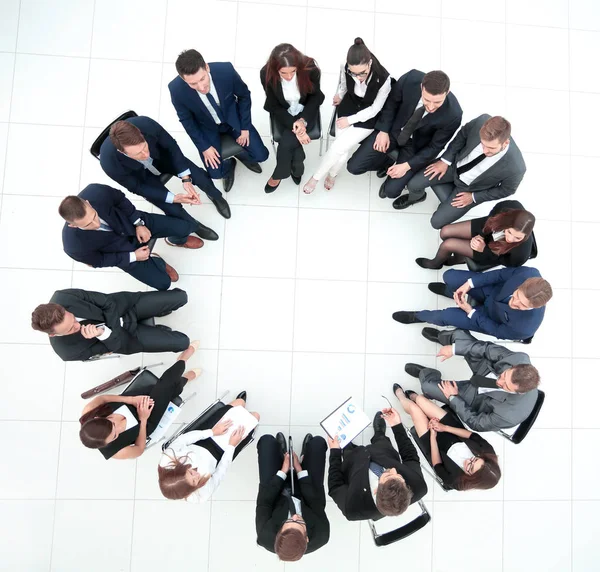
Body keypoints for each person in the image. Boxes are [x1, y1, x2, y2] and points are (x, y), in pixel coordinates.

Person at [347, 69, 462, 207]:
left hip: (415, 146)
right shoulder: (410, 79)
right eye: (427, 100)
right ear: (421, 87)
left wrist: (406, 166)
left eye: (437, 102)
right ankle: (387, 163)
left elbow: (435, 147)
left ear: (447, 92)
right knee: (354, 167)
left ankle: (418, 196)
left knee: (391, 192)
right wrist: (383, 130)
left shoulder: (453, 114)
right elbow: (391, 104)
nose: (431, 107)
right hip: (393, 131)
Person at [60, 185, 201, 290]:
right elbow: (99, 261)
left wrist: (138, 223)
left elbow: (120, 199)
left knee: (186, 227)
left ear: (89, 203)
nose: (96, 224)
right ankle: (158, 262)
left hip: (133, 224)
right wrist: (133, 256)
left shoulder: (96, 192)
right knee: (164, 283)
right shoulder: (73, 246)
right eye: (88, 224)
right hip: (124, 254)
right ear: (72, 225)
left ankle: (176, 240)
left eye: (94, 216)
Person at [78, 341, 202, 460]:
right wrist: (143, 419)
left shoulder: (88, 412)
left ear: (97, 418)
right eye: (115, 436)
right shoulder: (115, 452)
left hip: (131, 400)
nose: (118, 430)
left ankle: (183, 372)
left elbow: (103, 398)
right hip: (146, 422)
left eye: (112, 424)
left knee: (165, 388)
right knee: (165, 387)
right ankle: (182, 361)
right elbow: (139, 449)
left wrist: (131, 399)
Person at [169, 49, 269, 193]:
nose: (201, 87)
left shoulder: (225, 71)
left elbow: (244, 96)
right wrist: (204, 147)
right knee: (215, 173)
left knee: (261, 155)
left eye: (202, 79)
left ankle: (242, 154)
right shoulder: (176, 89)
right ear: (184, 79)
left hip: (233, 120)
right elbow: (187, 121)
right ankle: (229, 164)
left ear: (207, 67)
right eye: (193, 84)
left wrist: (245, 128)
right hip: (207, 127)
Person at [404, 328, 540, 432]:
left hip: (475, 398)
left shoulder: (508, 416)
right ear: (514, 367)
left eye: (506, 386)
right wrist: (454, 349)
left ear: (520, 393)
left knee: (427, 387)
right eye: (504, 376)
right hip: (485, 369)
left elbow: (475, 423)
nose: (499, 382)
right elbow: (487, 349)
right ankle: (442, 338)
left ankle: (427, 374)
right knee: (460, 334)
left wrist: (453, 397)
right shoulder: (519, 359)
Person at [302, 37, 392, 194]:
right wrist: (340, 94)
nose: (358, 77)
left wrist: (350, 120)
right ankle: (332, 174)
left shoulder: (384, 79)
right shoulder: (345, 66)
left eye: (362, 73)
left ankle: (316, 178)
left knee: (338, 147)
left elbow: (375, 109)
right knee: (342, 154)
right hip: (348, 107)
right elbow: (343, 84)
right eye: (354, 73)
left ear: (370, 63)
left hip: (367, 117)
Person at [100, 115, 230, 221]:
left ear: (141, 134)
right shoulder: (109, 163)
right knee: (171, 208)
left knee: (200, 177)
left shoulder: (147, 124)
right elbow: (137, 187)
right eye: (138, 154)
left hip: (161, 157)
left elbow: (171, 147)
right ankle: (193, 224)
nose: (145, 155)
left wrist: (185, 179)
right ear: (122, 152)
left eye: (144, 147)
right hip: (140, 176)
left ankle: (216, 196)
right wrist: (174, 198)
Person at [406, 114, 527, 228]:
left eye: (491, 148)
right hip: (453, 166)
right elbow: (462, 135)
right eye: (483, 144)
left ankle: (446, 206)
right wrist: (446, 160)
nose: (485, 151)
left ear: (505, 143)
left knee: (436, 223)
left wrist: (474, 197)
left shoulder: (516, 168)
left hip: (471, 189)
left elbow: (507, 190)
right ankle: (419, 197)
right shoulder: (481, 120)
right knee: (413, 184)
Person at [392, 266, 553, 341]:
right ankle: (452, 292)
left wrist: (470, 312)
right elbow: (499, 275)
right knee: (450, 276)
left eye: (521, 305)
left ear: (536, 307)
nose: (514, 302)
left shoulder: (525, 328)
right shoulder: (528, 273)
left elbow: (495, 330)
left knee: (444, 316)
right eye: (517, 295)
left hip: (486, 318)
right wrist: (470, 284)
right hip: (492, 291)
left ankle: (419, 316)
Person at [31, 288, 189, 361]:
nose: (77, 326)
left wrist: (110, 328)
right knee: (183, 343)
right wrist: (103, 334)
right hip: (129, 338)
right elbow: (115, 346)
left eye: (73, 319)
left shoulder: (64, 296)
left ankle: (156, 315)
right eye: (70, 329)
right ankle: (156, 330)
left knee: (181, 297)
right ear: (53, 334)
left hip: (127, 307)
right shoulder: (68, 352)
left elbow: (107, 302)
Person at [393, 383, 501, 491]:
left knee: (414, 409)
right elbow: (471, 435)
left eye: (470, 467)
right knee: (421, 400)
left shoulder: (457, 482)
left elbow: (437, 465)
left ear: (472, 478)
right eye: (474, 459)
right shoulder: (488, 452)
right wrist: (444, 427)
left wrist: (433, 436)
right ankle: (415, 397)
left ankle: (401, 397)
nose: (469, 461)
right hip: (453, 431)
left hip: (436, 448)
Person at [158, 391, 260, 502]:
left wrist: (212, 432)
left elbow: (184, 439)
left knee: (240, 403)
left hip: (203, 440)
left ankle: (238, 410)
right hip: (221, 455)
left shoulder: (167, 459)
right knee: (255, 416)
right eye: (194, 481)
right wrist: (232, 446)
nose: (197, 475)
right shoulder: (201, 495)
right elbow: (220, 471)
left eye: (190, 472)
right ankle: (245, 419)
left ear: (179, 469)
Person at [327, 410, 427, 521]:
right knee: (381, 441)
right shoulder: (418, 486)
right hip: (384, 452)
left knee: (349, 451)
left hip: (354, 464)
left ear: (375, 490)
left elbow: (335, 486)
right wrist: (397, 426)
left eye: (387, 475)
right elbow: (410, 456)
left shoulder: (352, 509)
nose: (394, 469)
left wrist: (335, 451)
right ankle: (379, 434)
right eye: (400, 477)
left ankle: (347, 445)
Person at [260, 44, 324, 193]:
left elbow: (315, 98)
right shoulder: (266, 73)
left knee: (286, 141)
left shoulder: (310, 68)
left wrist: (302, 121)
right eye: (283, 73)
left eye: (293, 72)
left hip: (306, 111)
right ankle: (297, 167)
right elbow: (274, 104)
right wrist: (297, 128)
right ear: (276, 69)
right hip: (284, 113)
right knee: (294, 147)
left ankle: (280, 173)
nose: (289, 77)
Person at [256, 432, 329, 560]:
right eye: (300, 522)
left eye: (288, 521)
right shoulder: (321, 534)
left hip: (276, 493)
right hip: (307, 494)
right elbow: (316, 503)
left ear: (278, 533)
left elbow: (265, 502)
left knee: (266, 441)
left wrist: (283, 471)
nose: (295, 516)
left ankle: (281, 455)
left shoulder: (265, 536)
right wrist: (299, 469)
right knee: (318, 443)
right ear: (306, 538)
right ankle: (303, 457)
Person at [416, 200, 535, 270]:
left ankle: (435, 264)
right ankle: (459, 257)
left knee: (448, 244)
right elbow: (492, 216)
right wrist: (482, 235)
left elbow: (501, 262)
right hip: (490, 228)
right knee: (445, 232)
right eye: (509, 232)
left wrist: (484, 249)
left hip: (490, 252)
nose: (510, 239)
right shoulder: (510, 206)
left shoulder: (521, 254)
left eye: (517, 237)